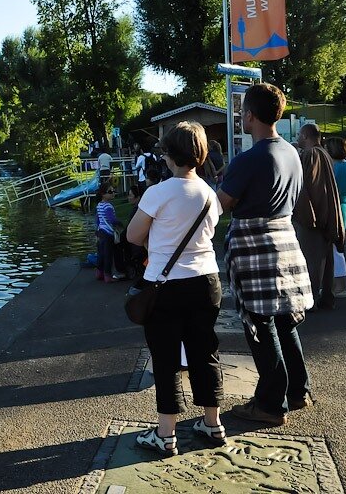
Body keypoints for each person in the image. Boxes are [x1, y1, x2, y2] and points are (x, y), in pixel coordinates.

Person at [218, 83, 314, 427]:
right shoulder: (292, 153)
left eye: (243, 112)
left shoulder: (250, 158)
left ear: (251, 115)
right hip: (286, 240)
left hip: (255, 247)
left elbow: (222, 203)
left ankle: (270, 404)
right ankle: (298, 390)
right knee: (286, 321)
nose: (242, 117)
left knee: (260, 324)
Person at [126, 121, 223, 456]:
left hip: (165, 285)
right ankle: (213, 423)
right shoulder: (210, 193)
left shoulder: (158, 192)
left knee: (166, 358)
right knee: (204, 351)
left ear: (168, 154)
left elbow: (132, 236)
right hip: (207, 281)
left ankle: (166, 435)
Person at [293, 124, 345, 311]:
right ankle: (327, 297)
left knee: (311, 260)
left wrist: (305, 213)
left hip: (313, 215)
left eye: (299, 135)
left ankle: (311, 300)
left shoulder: (311, 155)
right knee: (326, 259)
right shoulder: (324, 154)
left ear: (306, 136)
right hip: (326, 213)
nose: (298, 138)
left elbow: (307, 185)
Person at [325, 138, 346, 300]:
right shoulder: (344, 166)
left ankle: (340, 286)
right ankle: (337, 285)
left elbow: (334, 190)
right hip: (340, 207)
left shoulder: (339, 167)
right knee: (336, 249)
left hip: (337, 209)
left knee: (336, 250)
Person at [94, 184, 125, 283]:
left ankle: (99, 272)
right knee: (108, 255)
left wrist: (97, 231)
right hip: (108, 233)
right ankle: (108, 276)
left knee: (101, 254)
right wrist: (121, 224)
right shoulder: (108, 206)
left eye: (113, 191)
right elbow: (112, 220)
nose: (113, 193)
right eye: (110, 192)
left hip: (101, 232)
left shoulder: (99, 205)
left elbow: (97, 220)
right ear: (103, 194)